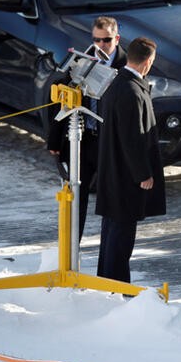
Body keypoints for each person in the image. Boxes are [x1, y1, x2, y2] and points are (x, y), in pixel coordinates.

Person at [46, 16, 127, 242]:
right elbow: (62, 99)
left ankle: (108, 257)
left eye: (106, 40)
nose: (101, 45)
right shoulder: (82, 59)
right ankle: (71, 250)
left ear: (117, 39)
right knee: (75, 198)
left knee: (111, 199)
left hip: (109, 142)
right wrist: (54, 140)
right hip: (82, 139)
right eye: (96, 40)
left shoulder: (125, 65)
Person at [95, 36, 166, 283]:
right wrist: (143, 174)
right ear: (147, 62)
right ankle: (116, 287)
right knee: (121, 237)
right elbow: (132, 138)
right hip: (125, 178)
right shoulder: (132, 91)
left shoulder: (116, 84)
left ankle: (106, 282)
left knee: (112, 232)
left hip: (114, 174)